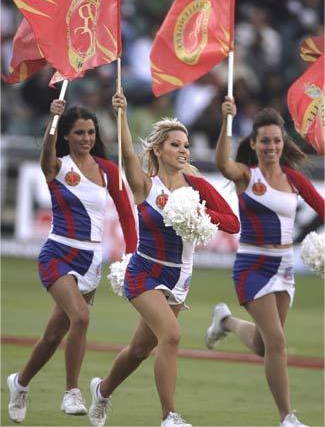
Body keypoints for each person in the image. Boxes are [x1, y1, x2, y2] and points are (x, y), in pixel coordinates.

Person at [87, 90, 240, 427]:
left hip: (179, 278)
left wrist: (201, 213)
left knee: (140, 350)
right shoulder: (146, 185)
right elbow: (127, 154)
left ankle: (102, 391)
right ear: (158, 150)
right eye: (175, 144)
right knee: (170, 335)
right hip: (144, 272)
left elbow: (232, 222)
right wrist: (122, 114)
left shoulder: (197, 186)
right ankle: (169, 416)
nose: (183, 150)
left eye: (185, 145)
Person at [7, 99, 137, 423]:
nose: (86, 138)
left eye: (91, 132)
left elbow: (126, 215)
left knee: (53, 337)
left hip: (91, 259)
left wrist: (132, 252)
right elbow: (45, 157)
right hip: (58, 253)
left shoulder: (108, 170)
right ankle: (72, 392)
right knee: (80, 318)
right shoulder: (58, 165)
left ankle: (20, 384)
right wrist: (52, 121)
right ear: (67, 135)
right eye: (79, 132)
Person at [205, 96, 324, 427]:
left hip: (284, 268)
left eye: (276, 140)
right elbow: (222, 165)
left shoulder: (294, 180)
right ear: (254, 143)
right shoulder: (247, 175)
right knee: (277, 342)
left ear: (282, 143)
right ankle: (287, 416)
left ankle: (225, 322)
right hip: (252, 266)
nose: (271, 146)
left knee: (262, 344)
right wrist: (226, 122)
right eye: (265, 141)